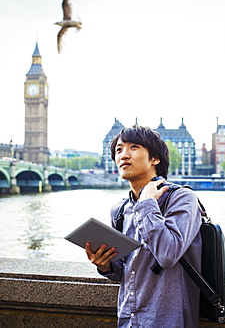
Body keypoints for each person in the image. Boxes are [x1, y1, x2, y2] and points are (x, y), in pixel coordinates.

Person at [86, 125, 202, 327]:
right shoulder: (120, 210)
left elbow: (168, 254)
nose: (123, 155)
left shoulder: (182, 198)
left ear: (155, 159)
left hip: (168, 320)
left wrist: (147, 204)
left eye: (134, 147)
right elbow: (127, 270)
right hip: (128, 320)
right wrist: (106, 265)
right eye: (119, 150)